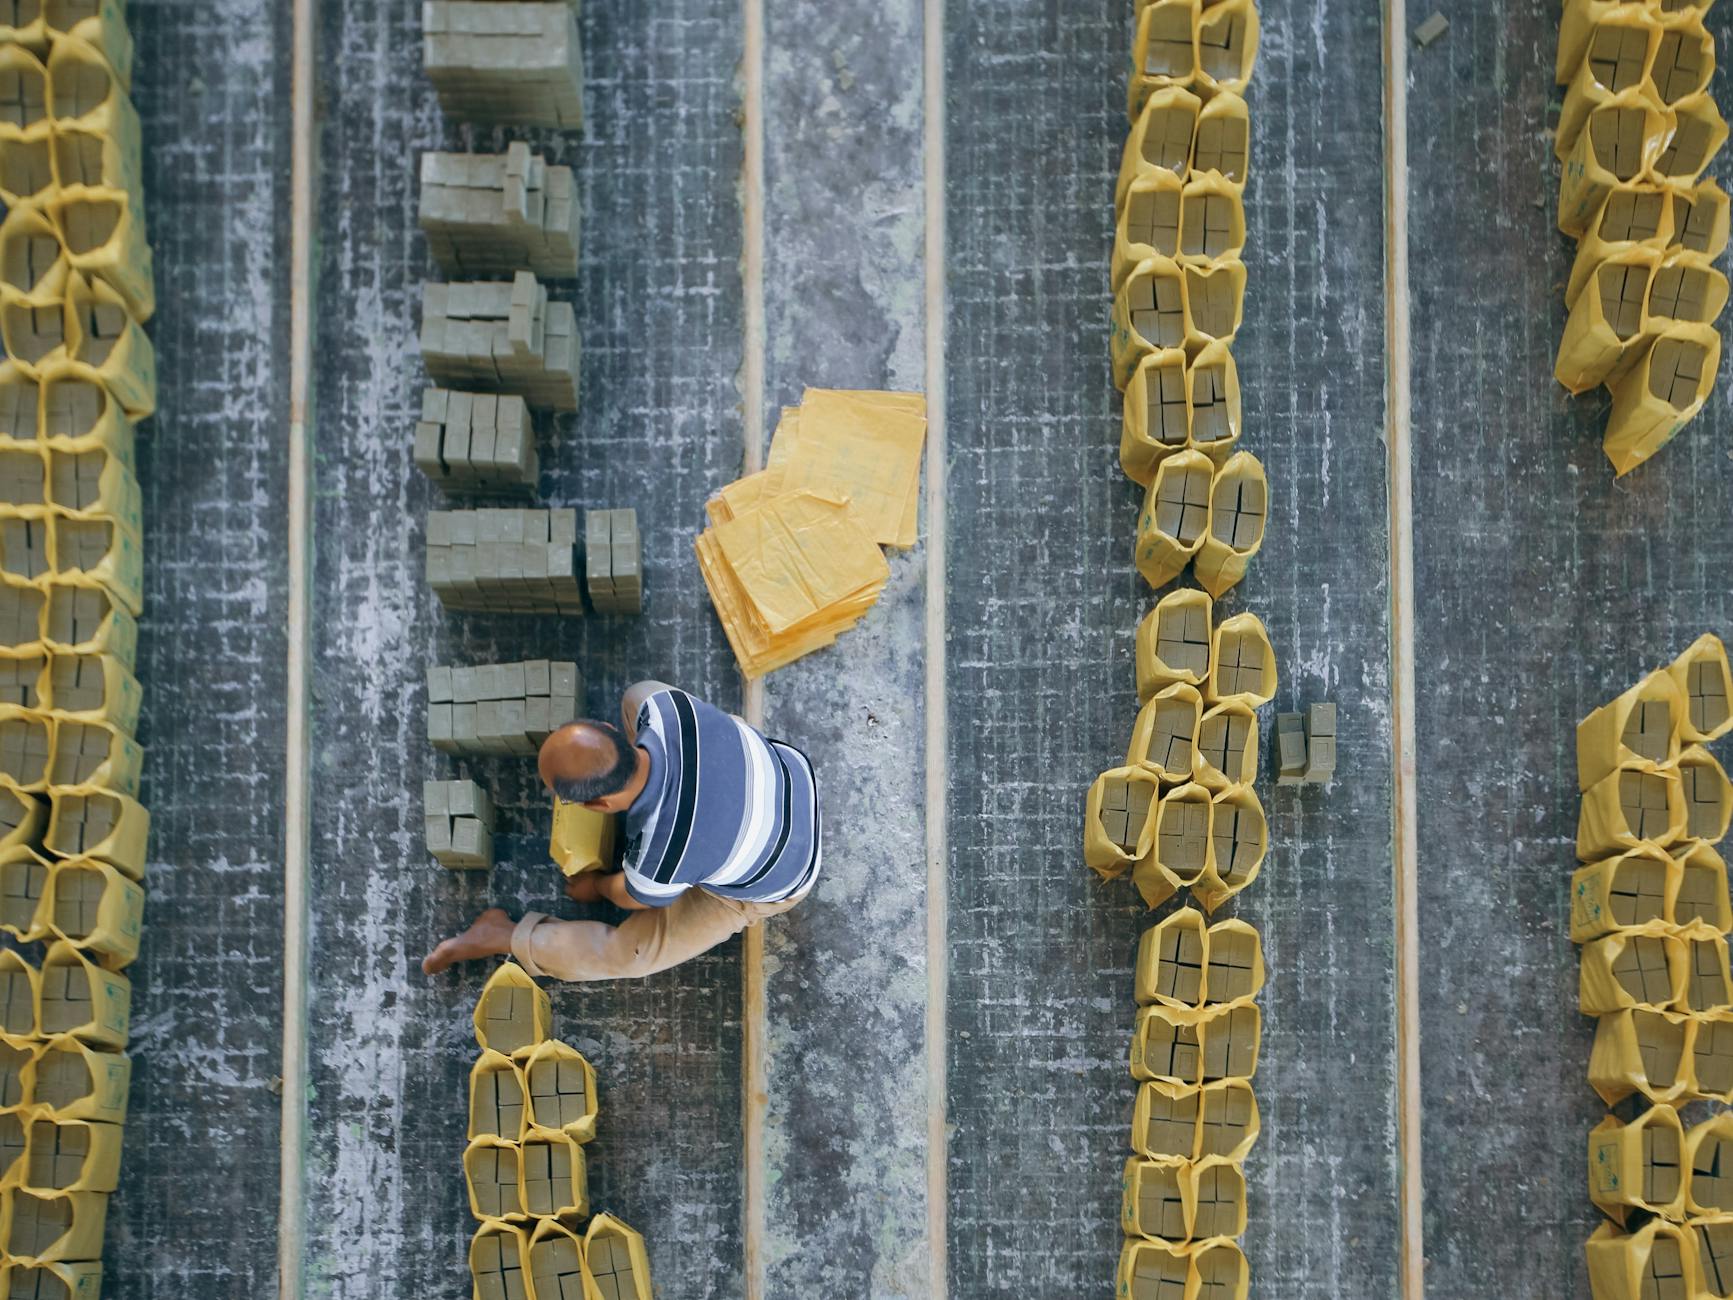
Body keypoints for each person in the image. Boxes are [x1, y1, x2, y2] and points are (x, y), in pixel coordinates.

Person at [421, 680, 820, 980]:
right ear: (608, 726)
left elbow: (633, 898)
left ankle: (502, 934)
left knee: (629, 955)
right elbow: (646, 704)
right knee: (638, 691)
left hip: (783, 874)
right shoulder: (665, 709)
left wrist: (594, 886)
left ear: (599, 806)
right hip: (790, 772)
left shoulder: (660, 857)